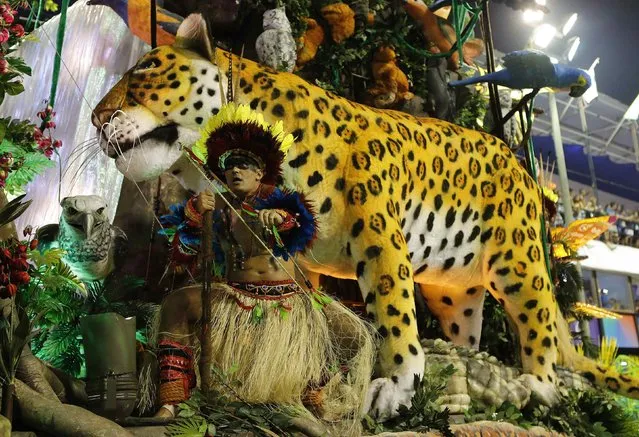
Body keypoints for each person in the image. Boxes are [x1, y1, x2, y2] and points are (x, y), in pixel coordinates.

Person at [153, 104, 375, 422]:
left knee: (352, 334)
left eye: (244, 165)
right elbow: (184, 256)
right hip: (235, 296)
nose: (235, 171)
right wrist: (193, 215)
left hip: (289, 299)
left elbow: (301, 226)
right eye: (229, 166)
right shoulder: (216, 206)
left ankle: (314, 388)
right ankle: (171, 402)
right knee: (176, 304)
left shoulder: (282, 200)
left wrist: (280, 217)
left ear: (260, 172)